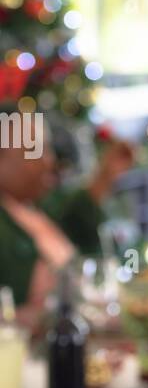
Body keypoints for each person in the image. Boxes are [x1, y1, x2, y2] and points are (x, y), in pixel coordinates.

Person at [0, 123, 134, 318]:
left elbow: (79, 214)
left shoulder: (37, 208)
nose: (48, 161)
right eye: (32, 150)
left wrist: (107, 174)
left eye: (46, 149)